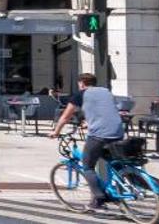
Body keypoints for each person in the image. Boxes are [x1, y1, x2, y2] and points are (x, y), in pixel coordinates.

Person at [50, 73, 126, 213]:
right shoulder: (105, 92)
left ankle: (99, 198)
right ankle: (114, 192)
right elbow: (105, 110)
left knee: (88, 166)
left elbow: (65, 117)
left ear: (82, 83)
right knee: (110, 161)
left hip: (99, 134)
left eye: (79, 83)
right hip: (118, 131)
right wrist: (87, 122)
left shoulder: (80, 95)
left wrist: (55, 132)